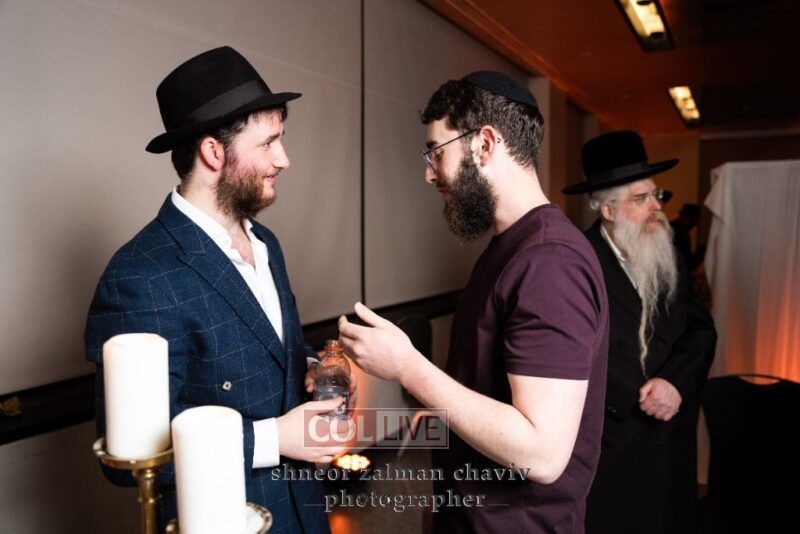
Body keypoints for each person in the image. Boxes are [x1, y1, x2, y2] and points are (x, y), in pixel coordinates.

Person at [84, 46, 352, 533]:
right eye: (269, 143)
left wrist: (315, 367)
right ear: (213, 152)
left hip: (308, 512)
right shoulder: (138, 276)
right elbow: (131, 458)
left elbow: (274, 355)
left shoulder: (267, 244)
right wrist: (276, 438)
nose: (284, 159)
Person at [337, 71, 609, 533]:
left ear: (484, 144)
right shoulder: (511, 245)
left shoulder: (550, 262)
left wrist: (407, 367)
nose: (429, 172)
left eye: (436, 152)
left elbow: (542, 453)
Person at [562, 130, 717, 534]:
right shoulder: (575, 262)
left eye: (656, 195)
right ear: (608, 210)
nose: (657, 207)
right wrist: (647, 395)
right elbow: (573, 352)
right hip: (617, 446)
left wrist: (675, 383)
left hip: (674, 441)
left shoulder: (665, 248)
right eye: (641, 198)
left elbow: (701, 329)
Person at [670, 203, 702, 271]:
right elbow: (687, 263)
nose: (695, 225)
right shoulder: (682, 233)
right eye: (695, 221)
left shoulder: (670, 226)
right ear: (688, 218)